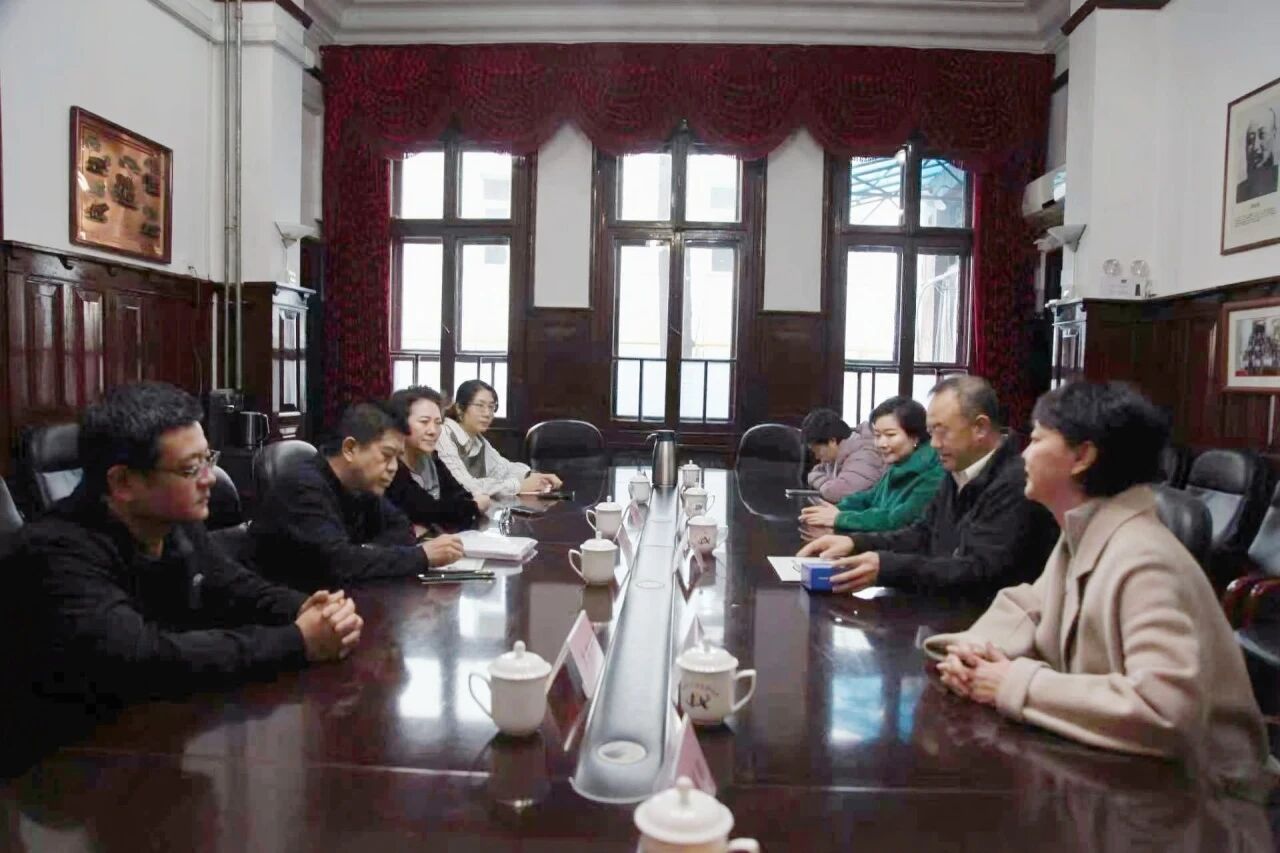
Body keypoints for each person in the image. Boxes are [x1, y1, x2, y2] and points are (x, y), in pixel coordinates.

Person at [924, 381, 1272, 796]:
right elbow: (1029, 605)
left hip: (1203, 799)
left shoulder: (1145, 559)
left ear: (1082, 457)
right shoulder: (1086, 529)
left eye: (1037, 439)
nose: (1025, 454)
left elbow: (1164, 709)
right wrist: (972, 653)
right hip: (1128, 782)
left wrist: (1012, 683)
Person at [0, 382, 362, 774]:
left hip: (149, 742)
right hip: (57, 769)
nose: (210, 478)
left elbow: (236, 586)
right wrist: (297, 640)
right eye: (191, 469)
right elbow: (146, 659)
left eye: (208, 459)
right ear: (122, 482)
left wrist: (311, 608)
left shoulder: (172, 522)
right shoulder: (55, 552)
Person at [799, 375, 1058, 598]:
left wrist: (886, 567)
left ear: (980, 427)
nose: (933, 444)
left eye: (942, 432)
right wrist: (854, 542)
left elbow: (979, 571)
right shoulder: (957, 471)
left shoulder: (1016, 483)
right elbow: (922, 533)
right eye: (931, 432)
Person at [249, 402, 465, 590]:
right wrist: (421, 556)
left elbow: (402, 528)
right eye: (386, 455)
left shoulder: (360, 485)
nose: (393, 467)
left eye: (397, 458)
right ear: (350, 449)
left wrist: (362, 553)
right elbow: (338, 564)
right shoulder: (302, 486)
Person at [799, 396, 944, 533]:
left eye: (890, 435)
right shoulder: (899, 464)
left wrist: (841, 518)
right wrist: (839, 509)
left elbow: (899, 520)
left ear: (915, 436)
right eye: (877, 435)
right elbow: (870, 497)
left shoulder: (934, 472)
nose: (881, 443)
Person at [384, 386, 489, 532]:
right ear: (400, 424)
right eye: (424, 421)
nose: (433, 431)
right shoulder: (389, 468)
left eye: (438, 423)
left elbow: (461, 496)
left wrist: (462, 508)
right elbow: (428, 510)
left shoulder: (431, 459)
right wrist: (474, 507)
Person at [436, 379, 561, 497]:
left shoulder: (478, 441)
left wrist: (535, 477)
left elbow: (503, 469)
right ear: (459, 408)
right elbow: (464, 486)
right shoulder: (443, 435)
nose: (487, 413)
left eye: (491, 407)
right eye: (480, 405)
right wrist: (519, 486)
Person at [801, 408, 885, 502]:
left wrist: (816, 479)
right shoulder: (836, 457)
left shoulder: (865, 455)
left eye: (817, 450)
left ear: (832, 441)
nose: (817, 457)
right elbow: (818, 470)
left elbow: (836, 492)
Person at [1236, 106, 1278, 204]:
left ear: (1274, 135)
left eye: (1262, 135)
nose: (1255, 146)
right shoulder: (1240, 191)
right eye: (1250, 140)